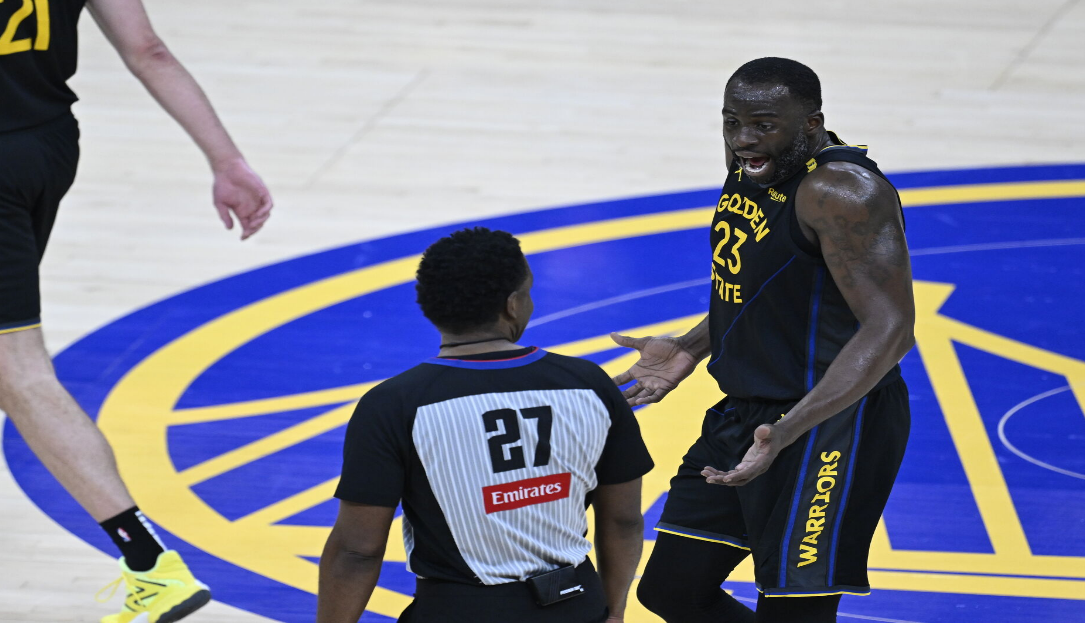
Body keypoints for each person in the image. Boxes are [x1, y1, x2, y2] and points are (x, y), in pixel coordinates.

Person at [0, 0, 272, 621]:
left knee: (11, 371)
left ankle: (151, 566)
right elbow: (149, 50)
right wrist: (226, 159)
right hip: (43, 147)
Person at [616, 58, 914, 623]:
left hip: (832, 423)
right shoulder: (753, 165)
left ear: (811, 124)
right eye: (732, 122)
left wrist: (790, 429)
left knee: (794, 616)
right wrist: (689, 347)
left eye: (763, 125)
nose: (743, 139)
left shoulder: (842, 192)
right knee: (673, 591)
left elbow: (891, 328)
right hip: (747, 412)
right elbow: (764, 285)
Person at [318, 227, 653, 623]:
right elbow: (624, 519)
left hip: (459, 610)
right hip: (576, 604)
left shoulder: (393, 404)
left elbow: (358, 550)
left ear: (429, 306)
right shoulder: (589, 383)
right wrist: (613, 612)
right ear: (512, 305)